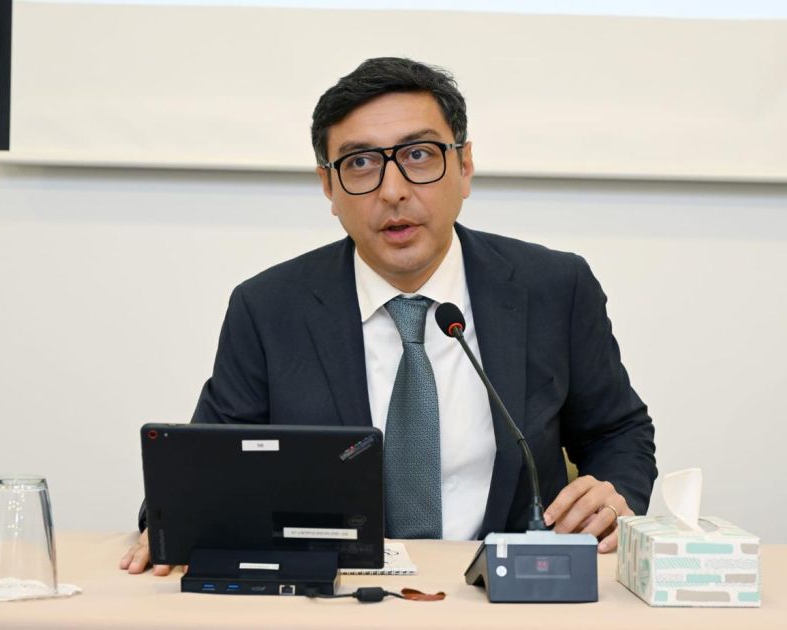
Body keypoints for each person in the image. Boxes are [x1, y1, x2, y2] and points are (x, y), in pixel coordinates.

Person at [121, 57, 656, 576]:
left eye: (419, 155)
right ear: (328, 187)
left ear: (464, 166)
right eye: (360, 163)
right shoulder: (268, 308)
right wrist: (177, 518)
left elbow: (617, 431)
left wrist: (614, 495)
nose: (393, 191)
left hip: (508, 593)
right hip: (336, 598)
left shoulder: (554, 288)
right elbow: (207, 464)